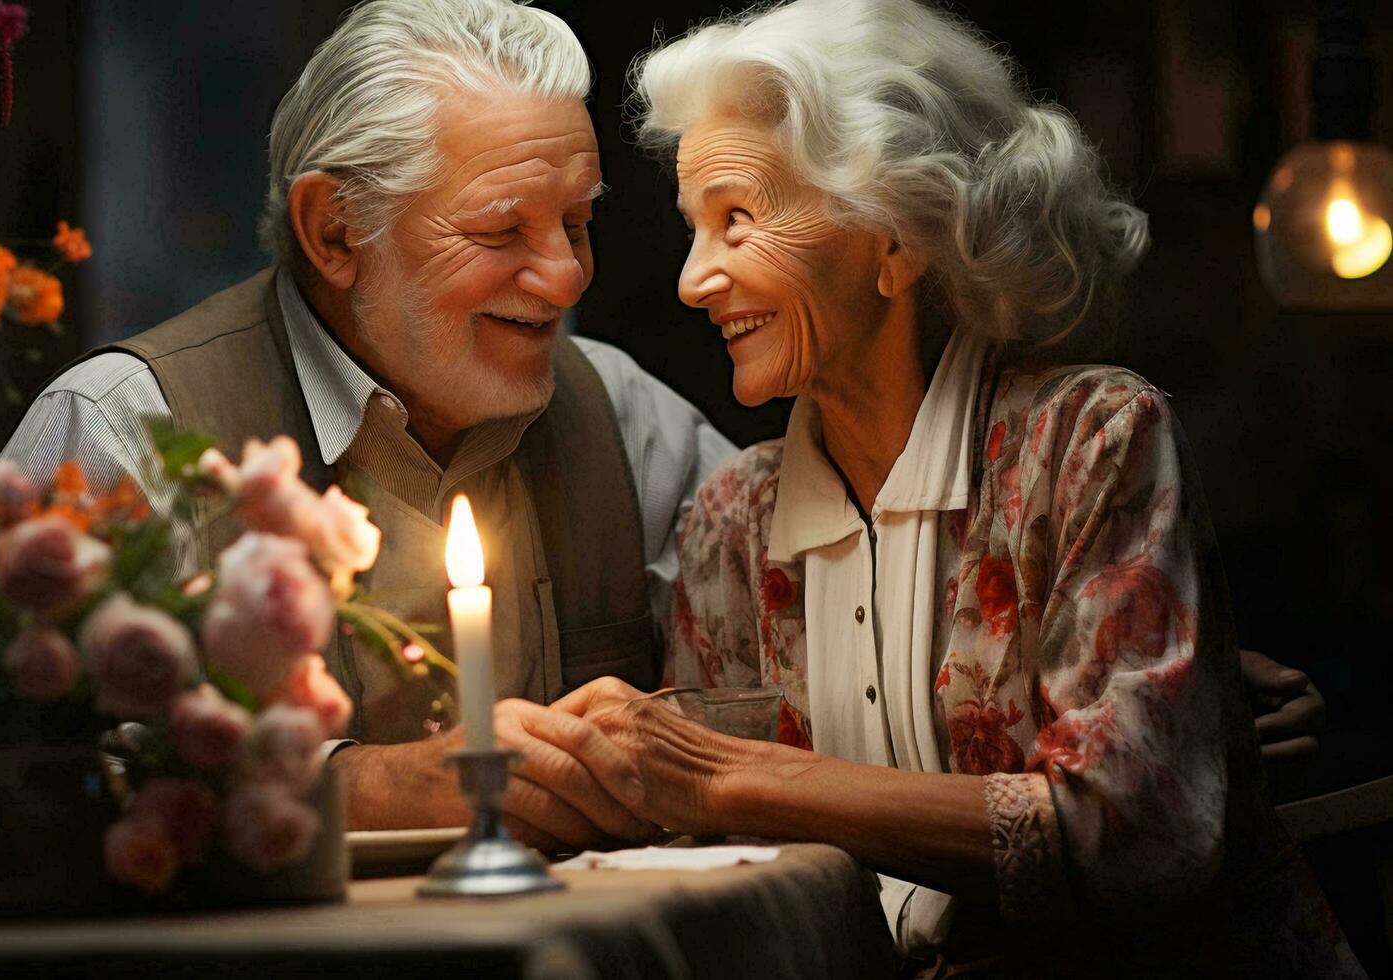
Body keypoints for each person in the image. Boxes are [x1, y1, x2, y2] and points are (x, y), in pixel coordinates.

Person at [0, 0, 1323, 859]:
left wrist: (1168, 694)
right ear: (335, 232)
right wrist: (393, 783)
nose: (571, 277)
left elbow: (807, 707)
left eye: (577, 225)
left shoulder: (621, 415)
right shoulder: (125, 434)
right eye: (503, 231)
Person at [557, 1, 1361, 974]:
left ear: (896, 237)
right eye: (695, 228)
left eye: (739, 219)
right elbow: (724, 867)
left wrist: (725, 775)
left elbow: (1134, 836)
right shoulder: (733, 516)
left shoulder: (1091, 440)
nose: (694, 279)